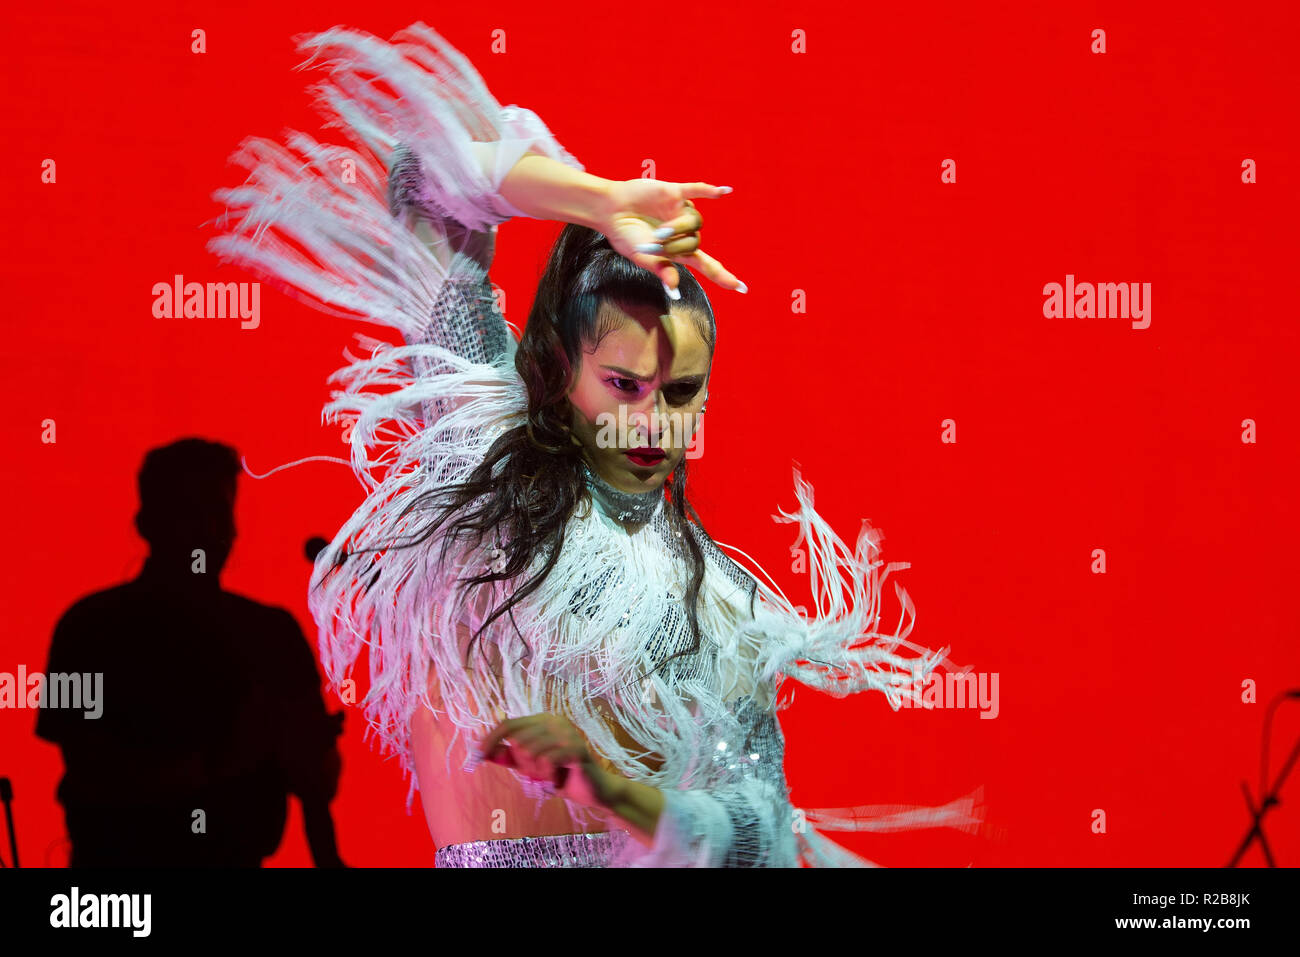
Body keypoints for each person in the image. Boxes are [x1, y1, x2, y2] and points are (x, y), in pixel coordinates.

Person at [208, 21, 985, 866]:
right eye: (623, 384)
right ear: (557, 373)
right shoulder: (480, 454)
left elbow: (757, 834)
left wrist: (611, 791)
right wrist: (597, 200)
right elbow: (427, 180)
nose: (653, 422)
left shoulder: (719, 603)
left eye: (681, 392)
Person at [35, 438, 346, 867]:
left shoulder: (271, 632)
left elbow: (320, 784)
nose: (210, 532)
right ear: (148, 522)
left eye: (219, 513)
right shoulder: (87, 630)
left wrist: (305, 751)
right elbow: (91, 773)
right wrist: (232, 757)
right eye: (189, 513)